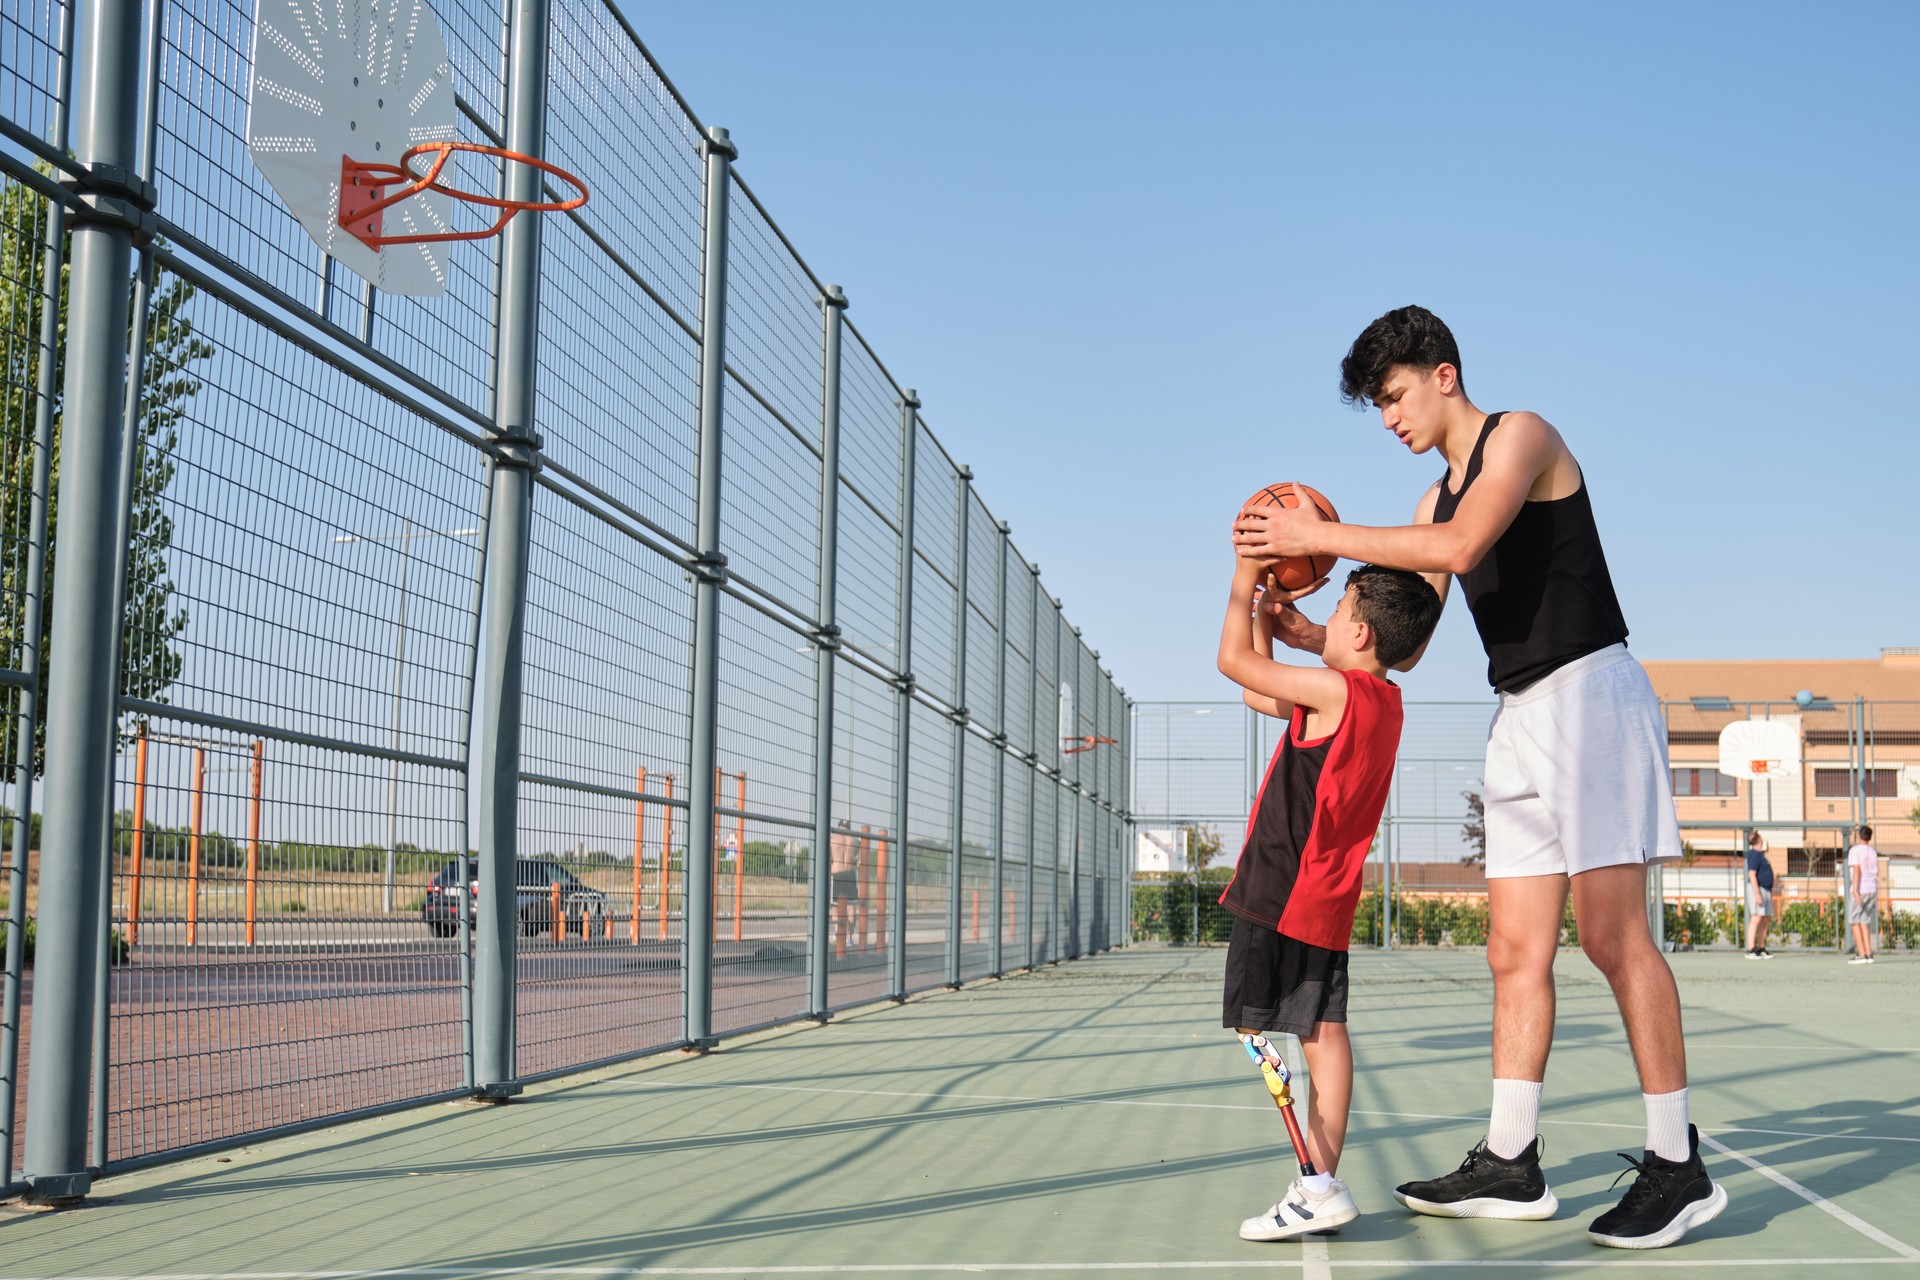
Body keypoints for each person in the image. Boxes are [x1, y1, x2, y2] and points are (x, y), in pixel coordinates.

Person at [1233, 305, 1726, 1249]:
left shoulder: (1524, 438)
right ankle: (1512, 1159)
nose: (1389, 418)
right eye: (1378, 405)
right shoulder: (1426, 501)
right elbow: (1405, 645)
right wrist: (1304, 634)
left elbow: (1461, 550)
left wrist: (1324, 536)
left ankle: (1679, 1165)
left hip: (1591, 693)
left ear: (1444, 374)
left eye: (1394, 395)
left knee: (1615, 938)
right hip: (1520, 714)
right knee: (1513, 950)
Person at [1214, 555, 1441, 1242]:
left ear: (1362, 634)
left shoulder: (1332, 694)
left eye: (1340, 612)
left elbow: (1234, 666)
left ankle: (1314, 1185)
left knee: (1258, 1029)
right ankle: (1321, 1181)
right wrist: (1268, 614)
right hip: (1327, 896)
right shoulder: (1383, 701)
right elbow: (1261, 692)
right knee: (1323, 1034)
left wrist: (1244, 577)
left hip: (1280, 886)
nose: (1329, 622)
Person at [1846, 826, 1879, 965]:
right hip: (1872, 888)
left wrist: (1855, 891)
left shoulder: (1855, 850)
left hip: (1861, 888)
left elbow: (1857, 870)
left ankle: (1861, 953)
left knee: (1854, 921)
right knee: (1865, 921)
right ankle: (1868, 952)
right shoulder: (1872, 852)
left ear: (1859, 836)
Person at [829, 828, 861, 958]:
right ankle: (849, 938)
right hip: (850, 874)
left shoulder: (833, 839)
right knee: (851, 907)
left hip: (836, 873)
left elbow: (829, 858)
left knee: (835, 907)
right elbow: (859, 861)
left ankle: (838, 933)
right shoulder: (855, 841)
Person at [1745, 830, 1774, 959]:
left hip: (1766, 889)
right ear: (1758, 840)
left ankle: (1761, 947)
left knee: (1766, 917)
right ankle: (1751, 949)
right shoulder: (1754, 854)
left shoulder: (1760, 854)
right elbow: (1751, 874)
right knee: (1756, 917)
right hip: (1758, 889)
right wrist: (1757, 893)